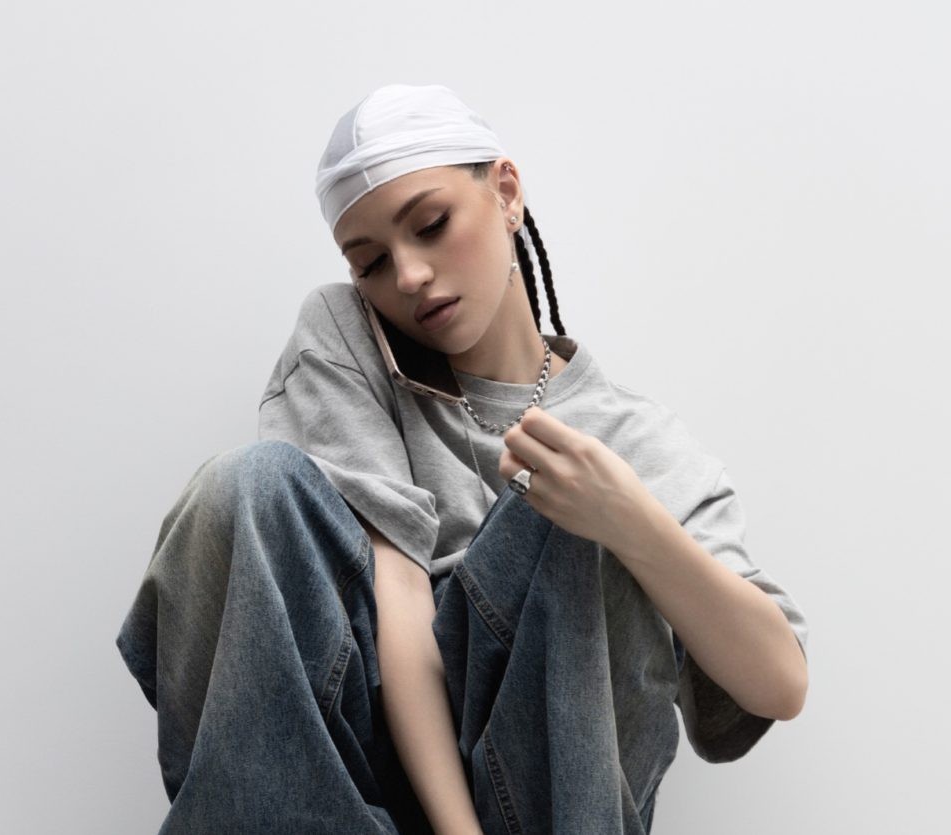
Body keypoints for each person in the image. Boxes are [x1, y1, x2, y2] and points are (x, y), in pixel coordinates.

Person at [116, 84, 809, 834]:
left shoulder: (634, 434)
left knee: (581, 505)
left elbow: (780, 683)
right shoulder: (351, 338)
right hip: (360, 792)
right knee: (248, 486)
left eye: (431, 225)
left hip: (552, 803)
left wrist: (630, 520)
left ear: (506, 193)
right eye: (371, 262)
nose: (408, 276)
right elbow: (398, 590)